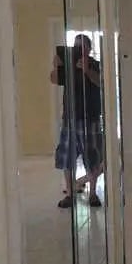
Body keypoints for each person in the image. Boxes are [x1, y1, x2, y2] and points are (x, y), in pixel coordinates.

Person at [51, 34, 104, 208]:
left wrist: (87, 70)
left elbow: (101, 82)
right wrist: (57, 66)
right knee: (67, 157)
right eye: (76, 46)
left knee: (92, 157)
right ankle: (70, 194)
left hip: (91, 118)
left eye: (82, 46)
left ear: (89, 49)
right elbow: (53, 79)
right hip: (70, 119)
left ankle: (93, 194)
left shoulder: (95, 64)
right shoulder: (68, 65)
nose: (79, 49)